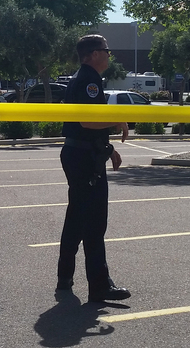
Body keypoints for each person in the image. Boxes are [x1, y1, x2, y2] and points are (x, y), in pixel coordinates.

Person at [56, 34, 131, 302]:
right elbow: (88, 122)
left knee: (77, 217)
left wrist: (109, 150)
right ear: (94, 54)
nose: (109, 55)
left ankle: (64, 277)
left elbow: (84, 127)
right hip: (84, 159)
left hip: (80, 154)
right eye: (107, 51)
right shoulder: (89, 80)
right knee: (95, 222)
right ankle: (99, 285)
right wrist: (118, 121)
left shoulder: (84, 78)